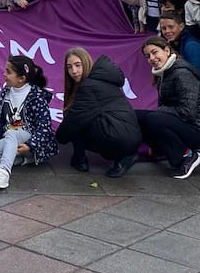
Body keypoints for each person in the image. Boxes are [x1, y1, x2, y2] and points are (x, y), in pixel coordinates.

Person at [135, 37, 200, 179]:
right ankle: (161, 150)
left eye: (154, 52)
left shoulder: (182, 73)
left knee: (153, 118)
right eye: (148, 56)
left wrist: (158, 114)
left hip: (198, 130)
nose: (152, 58)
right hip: (182, 124)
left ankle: (188, 156)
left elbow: (187, 112)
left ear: (166, 50)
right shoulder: (163, 74)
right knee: (137, 116)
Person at [56, 48, 142, 178]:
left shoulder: (89, 85)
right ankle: (80, 159)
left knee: (76, 121)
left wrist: (58, 139)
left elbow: (74, 120)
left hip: (122, 138)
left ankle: (82, 159)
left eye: (78, 65)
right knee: (79, 119)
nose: (74, 71)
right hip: (127, 135)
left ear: (86, 63)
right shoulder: (99, 80)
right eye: (69, 67)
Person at [0, 55, 58, 189]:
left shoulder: (36, 96)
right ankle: (27, 160)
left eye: (9, 72)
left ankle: (3, 173)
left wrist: (30, 145)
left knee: (12, 133)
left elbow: (45, 128)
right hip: (12, 137)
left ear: (22, 79)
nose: (4, 74)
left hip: (30, 139)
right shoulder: (5, 93)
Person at [158, 11, 200, 95]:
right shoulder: (172, 45)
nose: (167, 31)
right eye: (163, 28)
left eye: (171, 27)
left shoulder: (192, 46)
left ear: (181, 26)